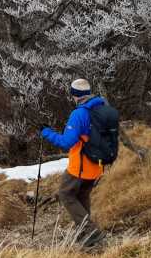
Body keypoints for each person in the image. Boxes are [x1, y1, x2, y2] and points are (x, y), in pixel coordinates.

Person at [40, 78, 110, 247]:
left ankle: (91, 232)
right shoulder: (102, 108)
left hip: (80, 166)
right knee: (82, 195)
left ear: (74, 95)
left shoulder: (79, 114)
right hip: (97, 164)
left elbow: (66, 142)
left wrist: (46, 132)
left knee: (65, 194)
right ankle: (85, 234)